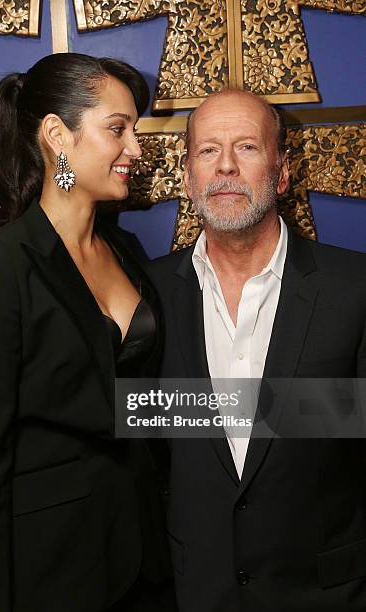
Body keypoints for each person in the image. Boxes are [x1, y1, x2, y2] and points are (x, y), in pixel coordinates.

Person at [0, 53, 175, 612]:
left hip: (148, 564)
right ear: (57, 135)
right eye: (117, 129)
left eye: (136, 131)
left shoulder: (127, 252)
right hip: (49, 575)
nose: (136, 150)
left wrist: (325, 408)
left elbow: (144, 407)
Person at [147, 89, 366, 611]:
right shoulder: (146, 291)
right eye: (207, 150)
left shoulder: (354, 287)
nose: (224, 165)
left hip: (330, 596)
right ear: (186, 175)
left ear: (282, 170)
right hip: (195, 593)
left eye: (246, 147)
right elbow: (144, 438)